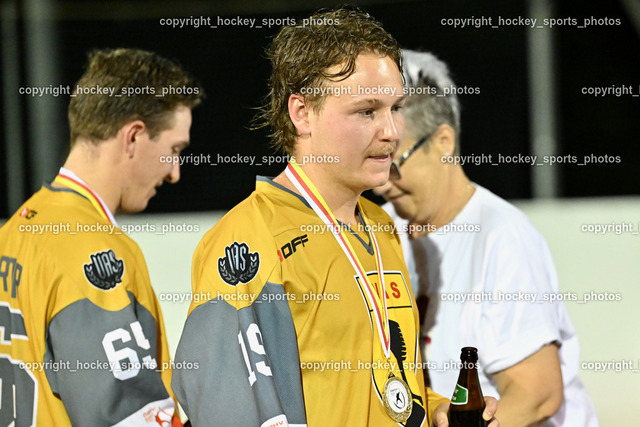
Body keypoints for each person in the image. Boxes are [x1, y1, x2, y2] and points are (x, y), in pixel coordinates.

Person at [172, 8, 497, 427]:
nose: (392, 131)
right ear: (302, 113)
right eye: (367, 111)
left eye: (396, 107)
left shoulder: (380, 227)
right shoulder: (248, 241)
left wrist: (435, 409)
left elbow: (390, 381)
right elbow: (225, 410)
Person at [375, 49, 599, 426]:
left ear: (443, 142)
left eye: (395, 163)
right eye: (378, 162)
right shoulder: (382, 228)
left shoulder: (502, 236)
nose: (383, 184)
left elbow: (537, 394)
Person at [0, 48, 202, 425]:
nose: (174, 173)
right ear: (133, 137)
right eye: (173, 150)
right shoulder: (97, 251)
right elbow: (128, 419)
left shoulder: (13, 233)